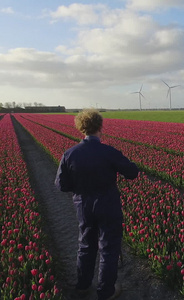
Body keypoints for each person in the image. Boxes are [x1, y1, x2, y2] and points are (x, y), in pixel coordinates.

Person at [55, 109, 139, 300]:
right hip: (108, 204)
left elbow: (61, 185)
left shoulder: (70, 154)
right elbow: (132, 173)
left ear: (80, 128)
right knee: (109, 248)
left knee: (85, 244)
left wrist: (80, 187)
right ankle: (105, 291)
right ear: (100, 127)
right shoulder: (109, 152)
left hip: (83, 205)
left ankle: (83, 286)